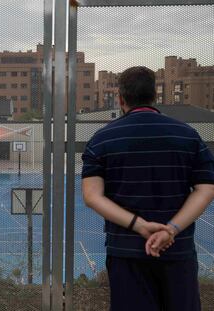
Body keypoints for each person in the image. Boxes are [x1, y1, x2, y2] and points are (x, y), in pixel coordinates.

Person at [81, 66, 214, 311]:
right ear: (155, 96)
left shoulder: (102, 139)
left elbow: (91, 196)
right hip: (178, 250)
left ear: (120, 99)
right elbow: (206, 189)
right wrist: (171, 230)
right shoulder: (188, 136)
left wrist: (140, 226)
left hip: (126, 252)